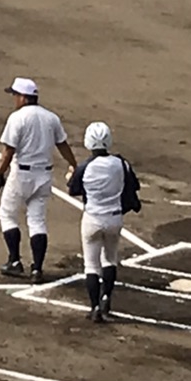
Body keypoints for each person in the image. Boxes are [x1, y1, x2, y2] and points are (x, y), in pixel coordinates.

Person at [0, 76, 78, 283]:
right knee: (37, 221)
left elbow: (8, 151)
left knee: (7, 214)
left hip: (21, 175)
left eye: (15, 95)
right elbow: (63, 145)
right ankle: (37, 269)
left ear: (23, 97)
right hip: (44, 176)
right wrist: (74, 164)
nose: (14, 99)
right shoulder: (51, 117)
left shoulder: (17, 118)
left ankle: (14, 261)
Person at [68, 121, 140, 323]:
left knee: (91, 265)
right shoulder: (121, 163)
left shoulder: (85, 167)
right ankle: (106, 298)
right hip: (114, 219)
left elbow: (73, 190)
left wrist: (70, 176)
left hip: (92, 219)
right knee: (109, 259)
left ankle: (94, 307)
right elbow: (134, 184)